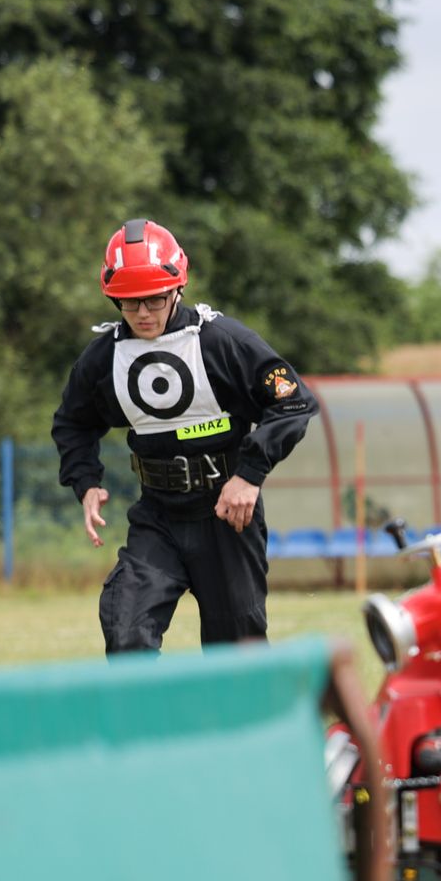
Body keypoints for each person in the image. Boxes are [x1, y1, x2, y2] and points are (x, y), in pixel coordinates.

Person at [54, 219, 319, 655]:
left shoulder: (222, 342)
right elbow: (72, 422)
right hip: (158, 516)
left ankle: (248, 724)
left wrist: (249, 475)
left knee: (236, 652)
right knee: (126, 630)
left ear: (178, 287)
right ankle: (153, 725)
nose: (142, 314)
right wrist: (86, 481)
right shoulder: (104, 359)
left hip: (226, 516)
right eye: (129, 303)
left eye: (154, 300)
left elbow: (294, 403)